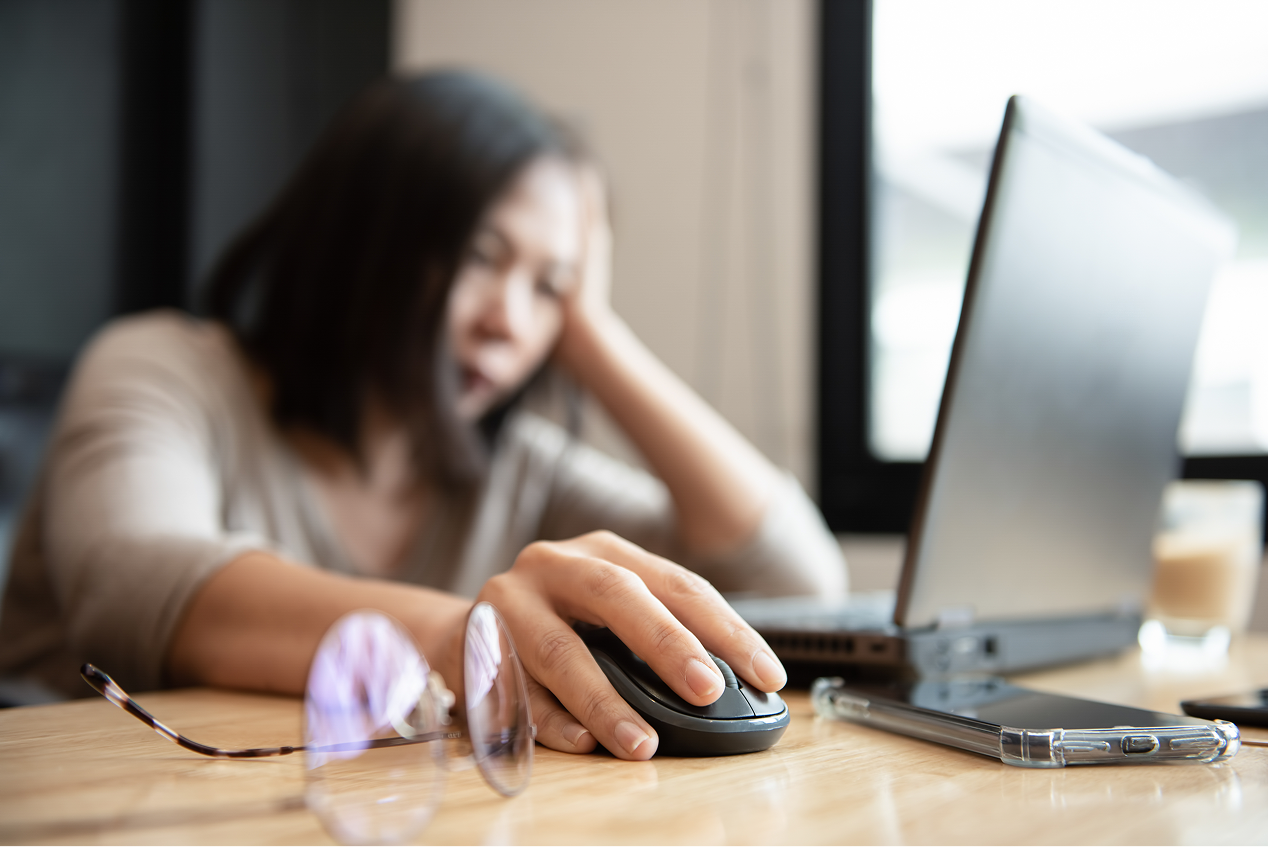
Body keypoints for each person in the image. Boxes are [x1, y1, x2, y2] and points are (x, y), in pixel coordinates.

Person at [0, 70, 845, 759]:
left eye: (547, 289)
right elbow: (138, 583)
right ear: (362, 234)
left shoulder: (515, 467)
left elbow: (795, 580)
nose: (509, 322)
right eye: (483, 257)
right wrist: (466, 636)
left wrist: (593, 335)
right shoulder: (165, 368)